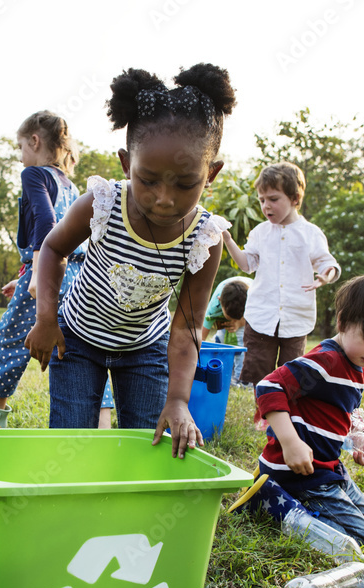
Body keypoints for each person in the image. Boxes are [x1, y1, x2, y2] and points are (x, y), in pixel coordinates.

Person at [25, 63, 236, 458]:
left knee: (149, 444)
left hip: (145, 348)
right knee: (70, 445)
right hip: (77, 341)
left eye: (185, 183)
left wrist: (178, 399)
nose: (164, 198)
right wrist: (45, 319)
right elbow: (53, 248)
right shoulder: (103, 203)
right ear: (126, 164)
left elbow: (188, 325)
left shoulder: (205, 238)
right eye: (149, 179)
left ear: (211, 174)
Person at [0, 111, 119, 427]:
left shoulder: (34, 175)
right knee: (82, 348)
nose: (20, 158)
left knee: (8, 339)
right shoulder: (70, 185)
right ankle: (102, 427)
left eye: (21, 148)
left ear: (34, 140)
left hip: (48, 268)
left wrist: (38, 275)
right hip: (79, 275)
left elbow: (46, 222)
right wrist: (24, 279)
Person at [238, 273, 364, 544]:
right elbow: (269, 387)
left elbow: (337, 418)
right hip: (298, 471)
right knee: (360, 535)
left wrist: (359, 442)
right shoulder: (327, 361)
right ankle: (273, 505)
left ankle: (287, 500)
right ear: (343, 322)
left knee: (363, 509)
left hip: (326, 466)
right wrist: (290, 443)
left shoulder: (357, 368)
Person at [222, 162, 340, 387]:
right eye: (262, 200)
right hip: (261, 315)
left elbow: (327, 263)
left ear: (295, 198)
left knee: (291, 372)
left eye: (273, 199)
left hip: (296, 317)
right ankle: (261, 416)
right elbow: (247, 264)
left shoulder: (310, 234)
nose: (266, 206)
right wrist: (228, 240)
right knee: (258, 368)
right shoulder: (260, 232)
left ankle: (285, 415)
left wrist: (326, 274)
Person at [201, 275, 252, 384]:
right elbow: (201, 337)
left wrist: (240, 323)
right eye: (230, 318)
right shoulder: (214, 306)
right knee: (220, 340)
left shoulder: (255, 297)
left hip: (250, 312)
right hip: (228, 304)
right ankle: (224, 371)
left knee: (241, 343)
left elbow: (258, 320)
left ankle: (241, 379)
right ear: (220, 302)